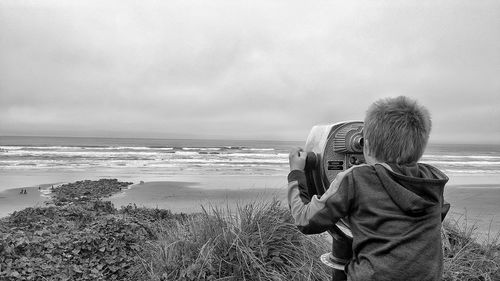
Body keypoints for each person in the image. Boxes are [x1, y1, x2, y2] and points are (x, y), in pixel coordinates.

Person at [287, 96, 449, 281]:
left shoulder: (357, 179)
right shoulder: (433, 180)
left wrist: (297, 173)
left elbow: (305, 220)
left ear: (368, 145)